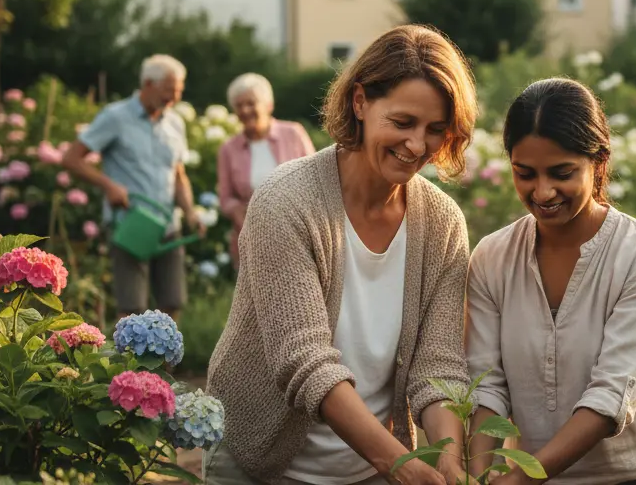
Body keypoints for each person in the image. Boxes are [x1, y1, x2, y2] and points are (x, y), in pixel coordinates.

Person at [203, 25, 478, 485]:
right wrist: (400, 464)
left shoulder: (443, 223)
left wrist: (446, 455)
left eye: (435, 130)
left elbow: (439, 363)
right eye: (403, 122)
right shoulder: (286, 201)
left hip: (364, 467)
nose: (417, 146)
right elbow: (305, 361)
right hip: (260, 460)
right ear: (360, 103)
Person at [467, 78, 636, 485]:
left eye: (562, 173)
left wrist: (519, 479)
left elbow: (609, 400)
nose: (543, 191)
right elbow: (487, 387)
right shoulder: (492, 257)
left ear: (600, 161)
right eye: (525, 174)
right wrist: (476, 477)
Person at [61, 54, 204, 323]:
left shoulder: (175, 122)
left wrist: (191, 212)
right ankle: (129, 366)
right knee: (131, 308)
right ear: (147, 84)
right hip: (130, 224)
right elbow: (71, 158)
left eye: (177, 93)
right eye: (167, 92)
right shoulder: (115, 117)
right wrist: (109, 186)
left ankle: (162, 366)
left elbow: (179, 174)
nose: (171, 100)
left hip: (168, 224)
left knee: (172, 303)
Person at [216, 72, 316, 270]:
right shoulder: (228, 149)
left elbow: (315, 178)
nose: (245, 110)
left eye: (251, 103)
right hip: (251, 240)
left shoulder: (293, 134)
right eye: (239, 105)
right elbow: (225, 198)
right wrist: (237, 210)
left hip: (297, 235)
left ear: (268, 105)